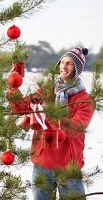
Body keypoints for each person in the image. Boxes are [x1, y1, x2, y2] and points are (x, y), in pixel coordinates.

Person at [9, 47, 95, 200]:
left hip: (69, 168)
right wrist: (12, 86)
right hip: (42, 164)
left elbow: (76, 128)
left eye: (69, 63)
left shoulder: (85, 99)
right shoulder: (47, 91)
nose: (64, 66)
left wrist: (52, 114)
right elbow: (20, 107)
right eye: (62, 62)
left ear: (77, 68)